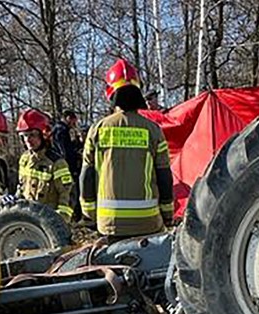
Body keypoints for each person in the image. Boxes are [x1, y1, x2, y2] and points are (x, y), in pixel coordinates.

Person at [79, 59, 174, 239]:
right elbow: (164, 177)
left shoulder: (97, 130)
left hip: (109, 222)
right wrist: (167, 214)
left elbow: (87, 176)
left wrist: (89, 215)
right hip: (148, 221)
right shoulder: (153, 131)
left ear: (110, 92)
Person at [16, 108, 74, 221]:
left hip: (49, 223)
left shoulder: (57, 163)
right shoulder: (24, 159)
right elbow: (21, 188)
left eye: (32, 135)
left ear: (44, 134)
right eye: (24, 135)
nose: (28, 140)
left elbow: (66, 194)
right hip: (29, 222)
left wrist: (60, 220)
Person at [52, 110, 82, 220]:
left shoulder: (61, 129)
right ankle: (73, 216)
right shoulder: (61, 130)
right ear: (68, 118)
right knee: (70, 191)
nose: (74, 124)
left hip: (65, 164)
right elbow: (64, 151)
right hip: (66, 166)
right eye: (74, 121)